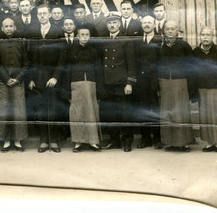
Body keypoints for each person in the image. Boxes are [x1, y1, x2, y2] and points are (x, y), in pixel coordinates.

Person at [55, 24, 101, 152]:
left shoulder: (94, 51)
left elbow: (99, 71)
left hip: (91, 84)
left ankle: (93, 141)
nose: (85, 37)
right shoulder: (70, 50)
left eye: (87, 35)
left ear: (90, 36)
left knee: (91, 112)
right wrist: (66, 90)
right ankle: (78, 142)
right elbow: (64, 69)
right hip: (75, 84)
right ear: (77, 36)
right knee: (77, 113)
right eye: (82, 35)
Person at [98, 12, 137, 152]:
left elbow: (132, 64)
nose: (112, 25)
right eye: (109, 23)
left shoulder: (126, 40)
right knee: (110, 113)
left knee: (125, 113)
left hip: (121, 83)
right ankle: (114, 140)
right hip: (107, 82)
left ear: (119, 24)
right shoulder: (104, 40)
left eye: (114, 22)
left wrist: (129, 83)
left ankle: (127, 141)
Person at [28, 5, 63, 153]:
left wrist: (55, 77)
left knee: (53, 108)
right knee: (41, 110)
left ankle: (54, 141)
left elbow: (62, 58)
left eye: (44, 13)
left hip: (52, 76)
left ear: (49, 15)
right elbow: (30, 58)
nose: (42, 16)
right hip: (38, 77)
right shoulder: (34, 32)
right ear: (37, 16)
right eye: (39, 14)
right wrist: (31, 78)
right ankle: (43, 141)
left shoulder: (57, 31)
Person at [157, 20, 195, 152]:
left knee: (180, 112)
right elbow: (156, 65)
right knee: (167, 112)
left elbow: (191, 65)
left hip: (180, 81)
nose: (170, 31)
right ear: (163, 31)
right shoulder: (159, 46)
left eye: (173, 29)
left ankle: (183, 143)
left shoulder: (184, 45)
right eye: (167, 29)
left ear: (177, 30)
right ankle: (170, 142)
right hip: (164, 82)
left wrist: (191, 83)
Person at [0, 18, 29, 152]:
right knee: (3, 110)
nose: (8, 28)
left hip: (18, 81)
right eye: (6, 26)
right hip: (2, 81)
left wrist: (17, 79)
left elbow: (27, 63)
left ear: (14, 27)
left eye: (11, 26)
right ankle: (6, 140)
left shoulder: (21, 42)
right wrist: (6, 78)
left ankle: (18, 140)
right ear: (2, 28)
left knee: (18, 110)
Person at [134, 15, 163, 149]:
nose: (146, 25)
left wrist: (159, 83)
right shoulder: (137, 41)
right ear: (141, 25)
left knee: (155, 111)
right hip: (141, 82)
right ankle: (146, 139)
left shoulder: (160, 40)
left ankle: (157, 139)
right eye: (144, 22)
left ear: (154, 24)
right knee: (142, 110)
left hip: (155, 81)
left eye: (149, 23)